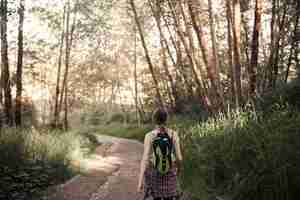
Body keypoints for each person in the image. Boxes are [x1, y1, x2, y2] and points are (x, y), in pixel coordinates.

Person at [137, 108, 183, 200]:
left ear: (154, 119)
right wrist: (178, 170)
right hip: (170, 170)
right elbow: (179, 158)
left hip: (155, 171)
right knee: (169, 197)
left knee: (156, 197)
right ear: (167, 119)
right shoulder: (174, 134)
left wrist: (140, 181)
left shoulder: (149, 135)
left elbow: (145, 159)